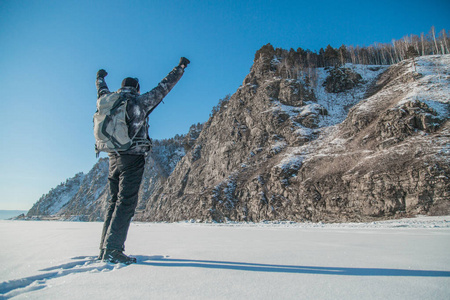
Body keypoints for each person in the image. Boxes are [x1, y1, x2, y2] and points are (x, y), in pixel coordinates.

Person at [96, 57, 190, 264]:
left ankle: (104, 248)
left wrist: (100, 78)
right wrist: (180, 67)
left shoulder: (108, 99)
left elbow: (101, 89)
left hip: (113, 156)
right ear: (137, 89)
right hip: (133, 157)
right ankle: (113, 250)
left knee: (113, 202)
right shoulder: (140, 101)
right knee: (126, 202)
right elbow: (165, 86)